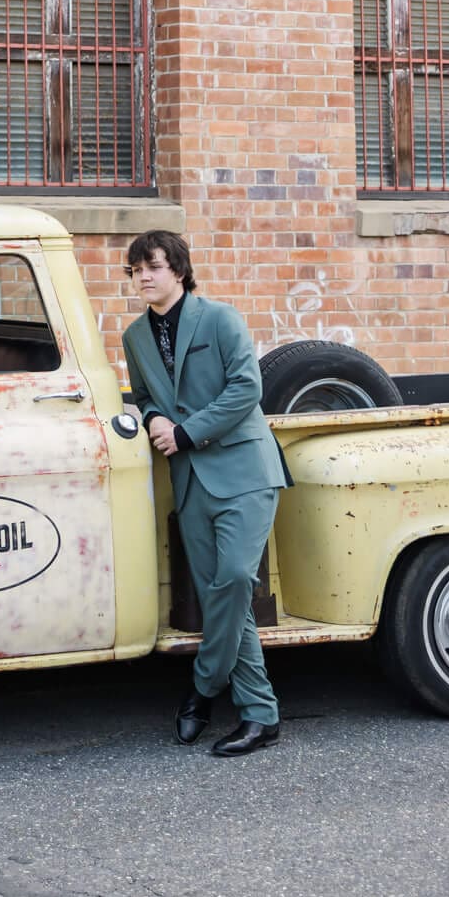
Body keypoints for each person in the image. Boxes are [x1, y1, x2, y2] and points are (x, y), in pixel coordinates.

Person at [121, 231, 291, 758]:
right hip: (190, 480)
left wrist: (187, 432)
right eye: (134, 270)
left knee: (237, 579)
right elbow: (145, 397)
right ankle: (261, 716)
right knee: (224, 597)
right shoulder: (134, 336)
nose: (143, 277)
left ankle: (200, 688)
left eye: (152, 266)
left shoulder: (219, 319)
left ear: (178, 269)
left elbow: (246, 389)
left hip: (243, 470)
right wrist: (151, 420)